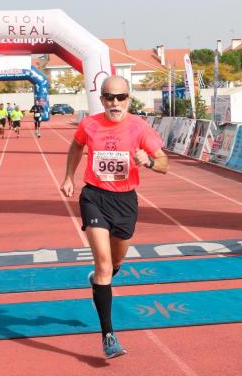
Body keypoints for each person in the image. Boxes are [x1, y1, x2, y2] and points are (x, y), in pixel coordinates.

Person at [60, 76, 168, 359]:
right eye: (109, 97)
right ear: (102, 99)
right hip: (94, 197)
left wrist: (150, 162)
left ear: (129, 99)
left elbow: (164, 163)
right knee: (105, 265)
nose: (115, 102)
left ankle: (98, 281)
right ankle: (108, 335)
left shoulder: (139, 127)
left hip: (125, 201)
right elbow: (76, 147)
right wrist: (69, 177)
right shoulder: (89, 124)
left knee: (116, 261)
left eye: (120, 97)